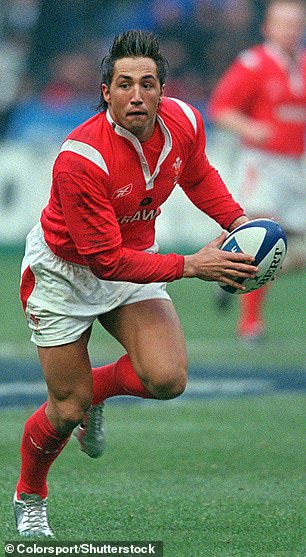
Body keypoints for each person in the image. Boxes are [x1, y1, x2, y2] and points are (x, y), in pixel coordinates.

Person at [14, 30, 258, 537]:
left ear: (162, 91)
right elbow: (103, 261)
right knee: (65, 409)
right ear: (107, 92)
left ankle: (95, 393)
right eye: (125, 84)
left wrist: (238, 224)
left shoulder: (185, 122)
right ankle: (30, 494)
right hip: (64, 273)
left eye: (148, 83)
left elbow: (197, 174)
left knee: (167, 378)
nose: (137, 94)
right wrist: (192, 266)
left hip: (133, 258)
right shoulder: (82, 157)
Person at [208, 0, 306, 340]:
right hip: (262, 163)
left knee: (296, 252)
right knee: (266, 234)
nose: (291, 31)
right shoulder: (254, 63)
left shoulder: (304, 65)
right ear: (268, 27)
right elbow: (220, 107)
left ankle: (231, 276)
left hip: (297, 166)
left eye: (296, 24)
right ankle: (250, 324)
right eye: (284, 24)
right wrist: (251, 129)